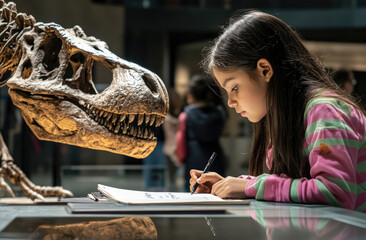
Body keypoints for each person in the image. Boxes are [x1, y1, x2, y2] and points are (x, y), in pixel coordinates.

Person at [189, 10, 366, 212]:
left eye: (234, 87)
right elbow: (293, 186)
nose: (230, 102)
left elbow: (335, 193)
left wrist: (251, 186)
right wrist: (232, 185)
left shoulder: (324, 111)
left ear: (265, 70)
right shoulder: (289, 117)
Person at [177, 75, 227, 192]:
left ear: (190, 94)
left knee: (193, 190)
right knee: (217, 190)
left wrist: (181, 160)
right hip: (215, 157)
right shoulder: (220, 112)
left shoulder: (185, 115)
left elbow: (180, 141)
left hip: (193, 158)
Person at [162, 88, 182, 191]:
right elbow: (171, 136)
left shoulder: (179, 114)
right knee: (172, 180)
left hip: (178, 150)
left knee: (179, 179)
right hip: (172, 150)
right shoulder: (168, 117)